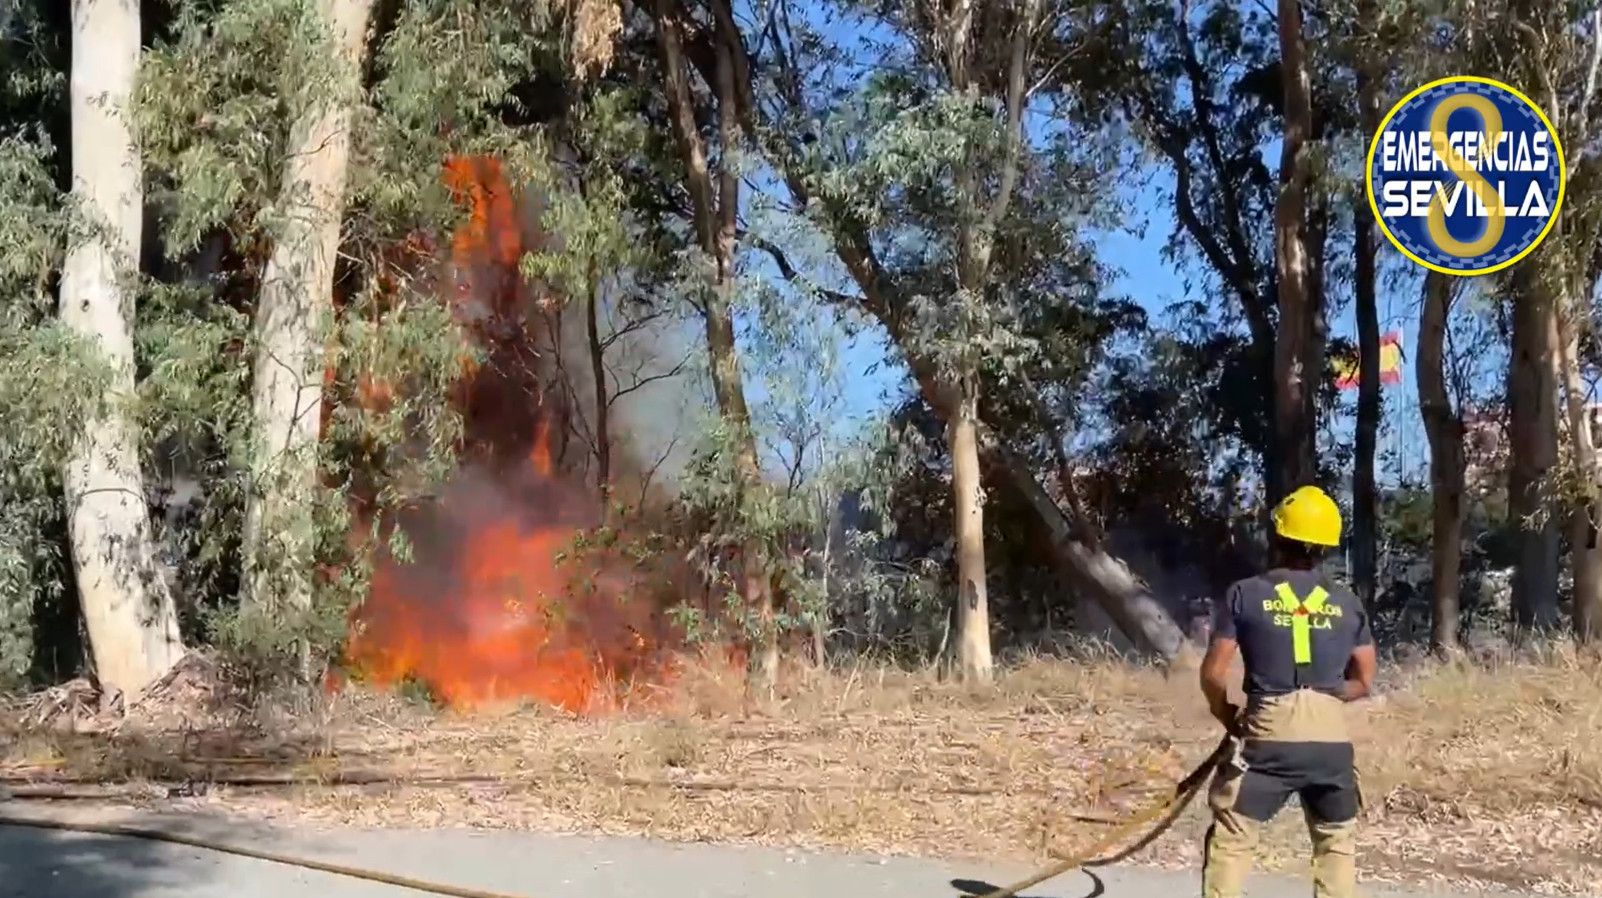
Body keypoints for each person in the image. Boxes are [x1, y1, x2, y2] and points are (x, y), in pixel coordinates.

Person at [1198, 485, 1378, 898]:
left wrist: (1227, 714)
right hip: (1331, 745)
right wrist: (1328, 695)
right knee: (1336, 845)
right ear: (1326, 546)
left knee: (1233, 837)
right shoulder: (1348, 602)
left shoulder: (1244, 593)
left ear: (1277, 536)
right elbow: (1364, 680)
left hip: (1268, 739)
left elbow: (1213, 673)